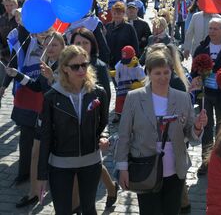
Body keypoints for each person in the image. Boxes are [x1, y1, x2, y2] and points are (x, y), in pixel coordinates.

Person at [116, 50, 208, 215]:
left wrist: (197, 127)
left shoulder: (182, 98)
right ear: (149, 73)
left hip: (175, 169)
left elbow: (189, 135)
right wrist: (122, 167)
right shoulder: (134, 97)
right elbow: (124, 135)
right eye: (157, 73)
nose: (163, 77)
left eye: (166, 72)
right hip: (145, 168)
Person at [37, 45, 109, 215]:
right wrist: (41, 176)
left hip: (91, 161)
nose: (81, 69)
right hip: (60, 163)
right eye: (75, 66)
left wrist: (103, 136)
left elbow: (104, 122)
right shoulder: (52, 97)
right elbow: (45, 136)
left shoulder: (98, 93)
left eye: (84, 64)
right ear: (64, 68)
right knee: (62, 211)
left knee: (89, 209)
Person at [7, 32, 64, 208]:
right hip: (44, 117)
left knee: (62, 159)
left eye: (55, 45)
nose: (51, 48)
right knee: (35, 155)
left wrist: (51, 77)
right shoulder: (46, 64)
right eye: (48, 45)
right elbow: (36, 86)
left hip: (62, 120)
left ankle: (106, 186)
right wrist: (17, 75)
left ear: (63, 46)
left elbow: (68, 90)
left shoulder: (68, 64)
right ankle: (33, 193)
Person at [69, 27, 120, 209]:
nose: (82, 46)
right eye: (77, 43)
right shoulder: (65, 64)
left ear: (92, 45)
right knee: (80, 165)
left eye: (85, 42)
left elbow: (105, 100)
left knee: (91, 163)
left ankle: (78, 204)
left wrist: (102, 130)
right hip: (70, 124)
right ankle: (78, 203)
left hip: (92, 125)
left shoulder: (98, 66)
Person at [192, 18, 221, 175]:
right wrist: (197, 77)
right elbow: (193, 70)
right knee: (206, 125)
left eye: (215, 29)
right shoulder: (201, 47)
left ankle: (220, 160)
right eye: (210, 28)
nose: (211, 31)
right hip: (205, 94)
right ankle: (206, 160)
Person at [113, 45, 146, 122]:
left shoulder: (137, 65)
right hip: (122, 84)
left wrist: (138, 83)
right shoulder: (120, 63)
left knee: (133, 100)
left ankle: (135, 114)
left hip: (133, 85)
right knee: (119, 100)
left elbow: (142, 77)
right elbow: (116, 74)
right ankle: (118, 114)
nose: (125, 63)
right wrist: (118, 82)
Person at [105, 1, 140, 69]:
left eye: (119, 13)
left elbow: (135, 46)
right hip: (110, 63)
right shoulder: (108, 26)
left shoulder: (129, 27)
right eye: (114, 13)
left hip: (125, 63)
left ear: (123, 13)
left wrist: (133, 62)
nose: (116, 16)